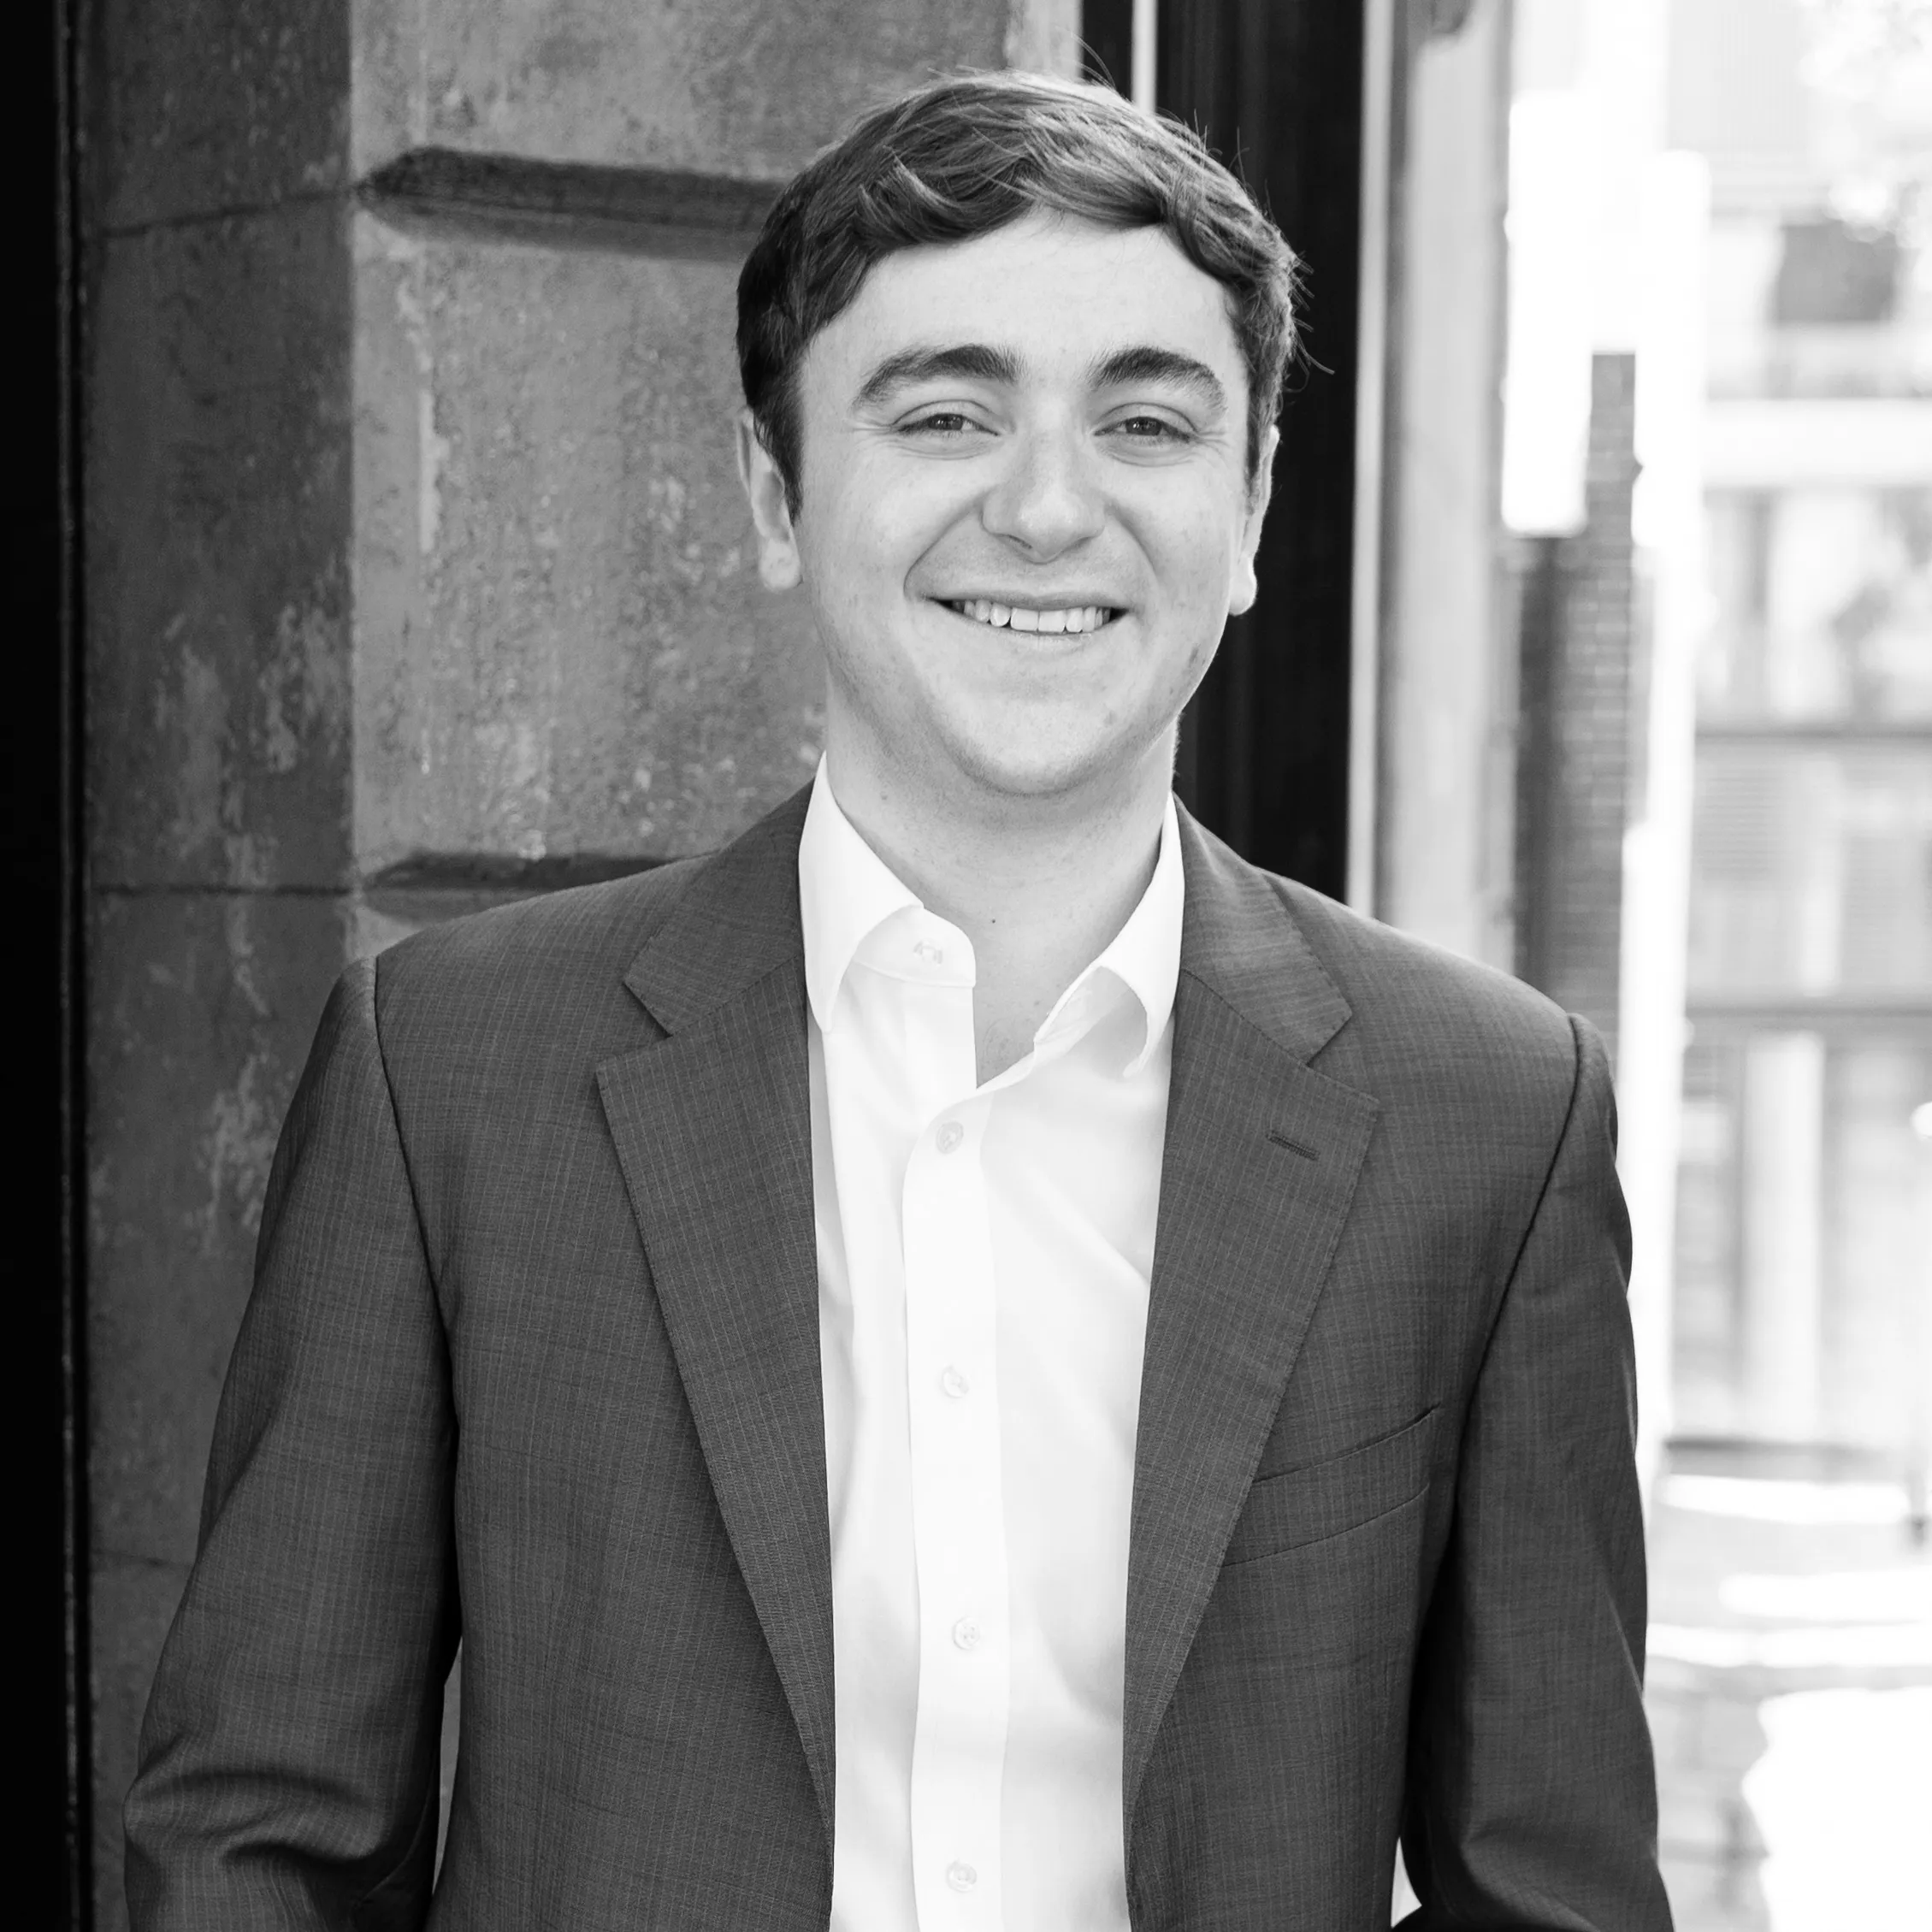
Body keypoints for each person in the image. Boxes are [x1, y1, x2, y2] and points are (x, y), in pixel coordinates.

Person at [126, 70, 1670, 1932]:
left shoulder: (1488, 1116)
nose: (1045, 506)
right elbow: (260, 1841)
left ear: (1252, 509)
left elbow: (1552, 1892)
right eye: (944, 412)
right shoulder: (450, 1072)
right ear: (776, 493)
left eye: (1147, 422)